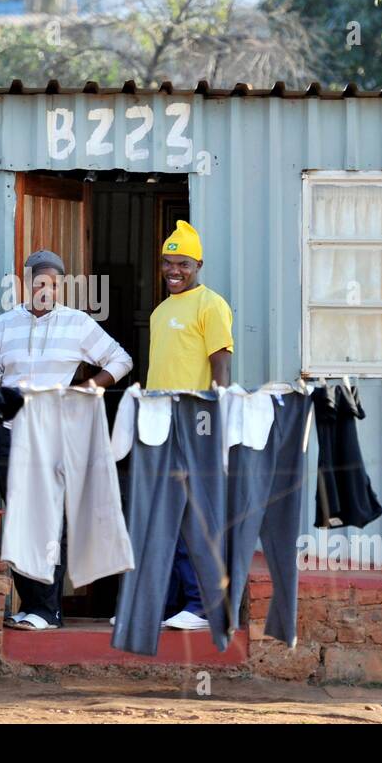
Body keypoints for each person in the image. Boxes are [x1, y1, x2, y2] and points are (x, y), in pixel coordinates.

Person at [0, 249, 133, 630]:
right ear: (25, 284)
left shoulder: (77, 324)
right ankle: (30, 605)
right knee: (19, 520)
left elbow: (120, 359)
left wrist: (89, 388)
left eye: (54, 283)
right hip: (9, 435)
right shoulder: (2, 327)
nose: (46, 289)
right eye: (39, 282)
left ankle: (48, 611)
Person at [147, 220, 233, 631]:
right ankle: (166, 605)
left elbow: (221, 364)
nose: (173, 270)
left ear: (198, 264)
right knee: (163, 519)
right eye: (167, 263)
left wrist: (217, 419)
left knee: (194, 518)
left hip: (195, 425)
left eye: (182, 263)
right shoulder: (161, 310)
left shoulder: (210, 305)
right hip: (160, 427)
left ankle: (201, 606)